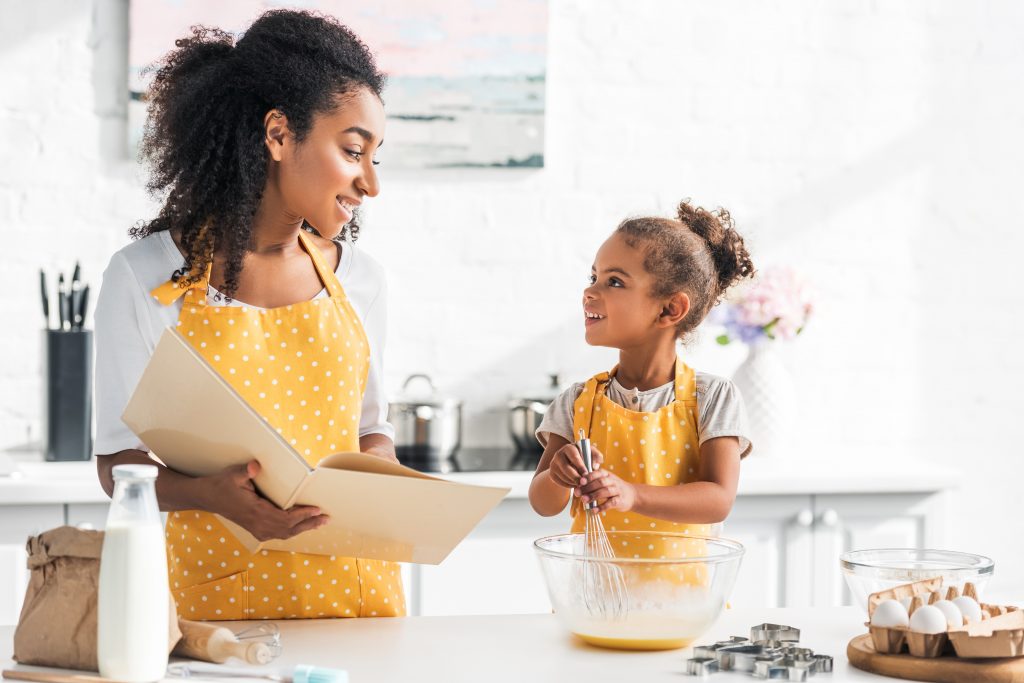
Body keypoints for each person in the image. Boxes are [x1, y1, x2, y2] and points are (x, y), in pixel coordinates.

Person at [93, 9, 404, 620]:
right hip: (216, 611)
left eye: (376, 158)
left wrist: (389, 482)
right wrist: (210, 494)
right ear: (279, 134)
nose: (370, 183)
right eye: (351, 151)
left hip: (362, 603)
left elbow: (372, 429)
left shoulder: (361, 280)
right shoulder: (143, 277)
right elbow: (117, 465)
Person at [528, 201, 755, 563]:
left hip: (683, 607)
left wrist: (633, 495)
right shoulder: (578, 401)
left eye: (614, 281)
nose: (591, 291)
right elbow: (543, 503)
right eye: (594, 278)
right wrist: (557, 476)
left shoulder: (712, 398)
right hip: (596, 606)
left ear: (669, 309)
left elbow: (718, 499)